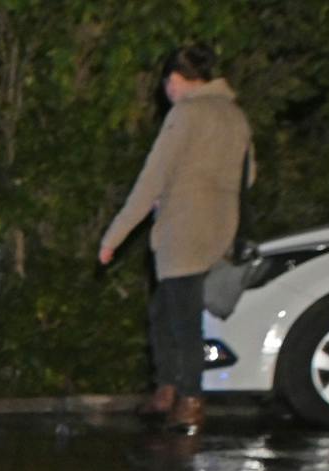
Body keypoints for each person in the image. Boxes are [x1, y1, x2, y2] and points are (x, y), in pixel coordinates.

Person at [98, 45, 252, 431]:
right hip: (220, 226)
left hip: (183, 230)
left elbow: (152, 178)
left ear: (176, 81)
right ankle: (167, 389)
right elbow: (248, 175)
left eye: (168, 83)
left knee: (183, 321)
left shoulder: (186, 113)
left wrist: (114, 236)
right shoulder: (235, 115)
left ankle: (190, 400)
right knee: (163, 312)